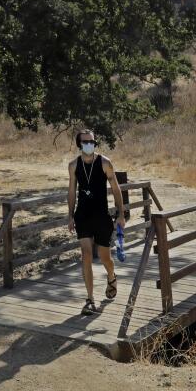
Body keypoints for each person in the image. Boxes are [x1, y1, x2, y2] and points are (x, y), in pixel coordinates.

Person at [67, 129, 126, 315]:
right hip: (82, 216)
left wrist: (121, 214)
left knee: (105, 258)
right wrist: (70, 215)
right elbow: (71, 191)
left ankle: (111, 276)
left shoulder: (105, 163)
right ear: (79, 144)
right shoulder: (73, 165)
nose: (88, 144)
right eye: (85, 141)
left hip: (101, 216)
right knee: (85, 255)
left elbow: (116, 189)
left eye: (91, 141)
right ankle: (90, 299)